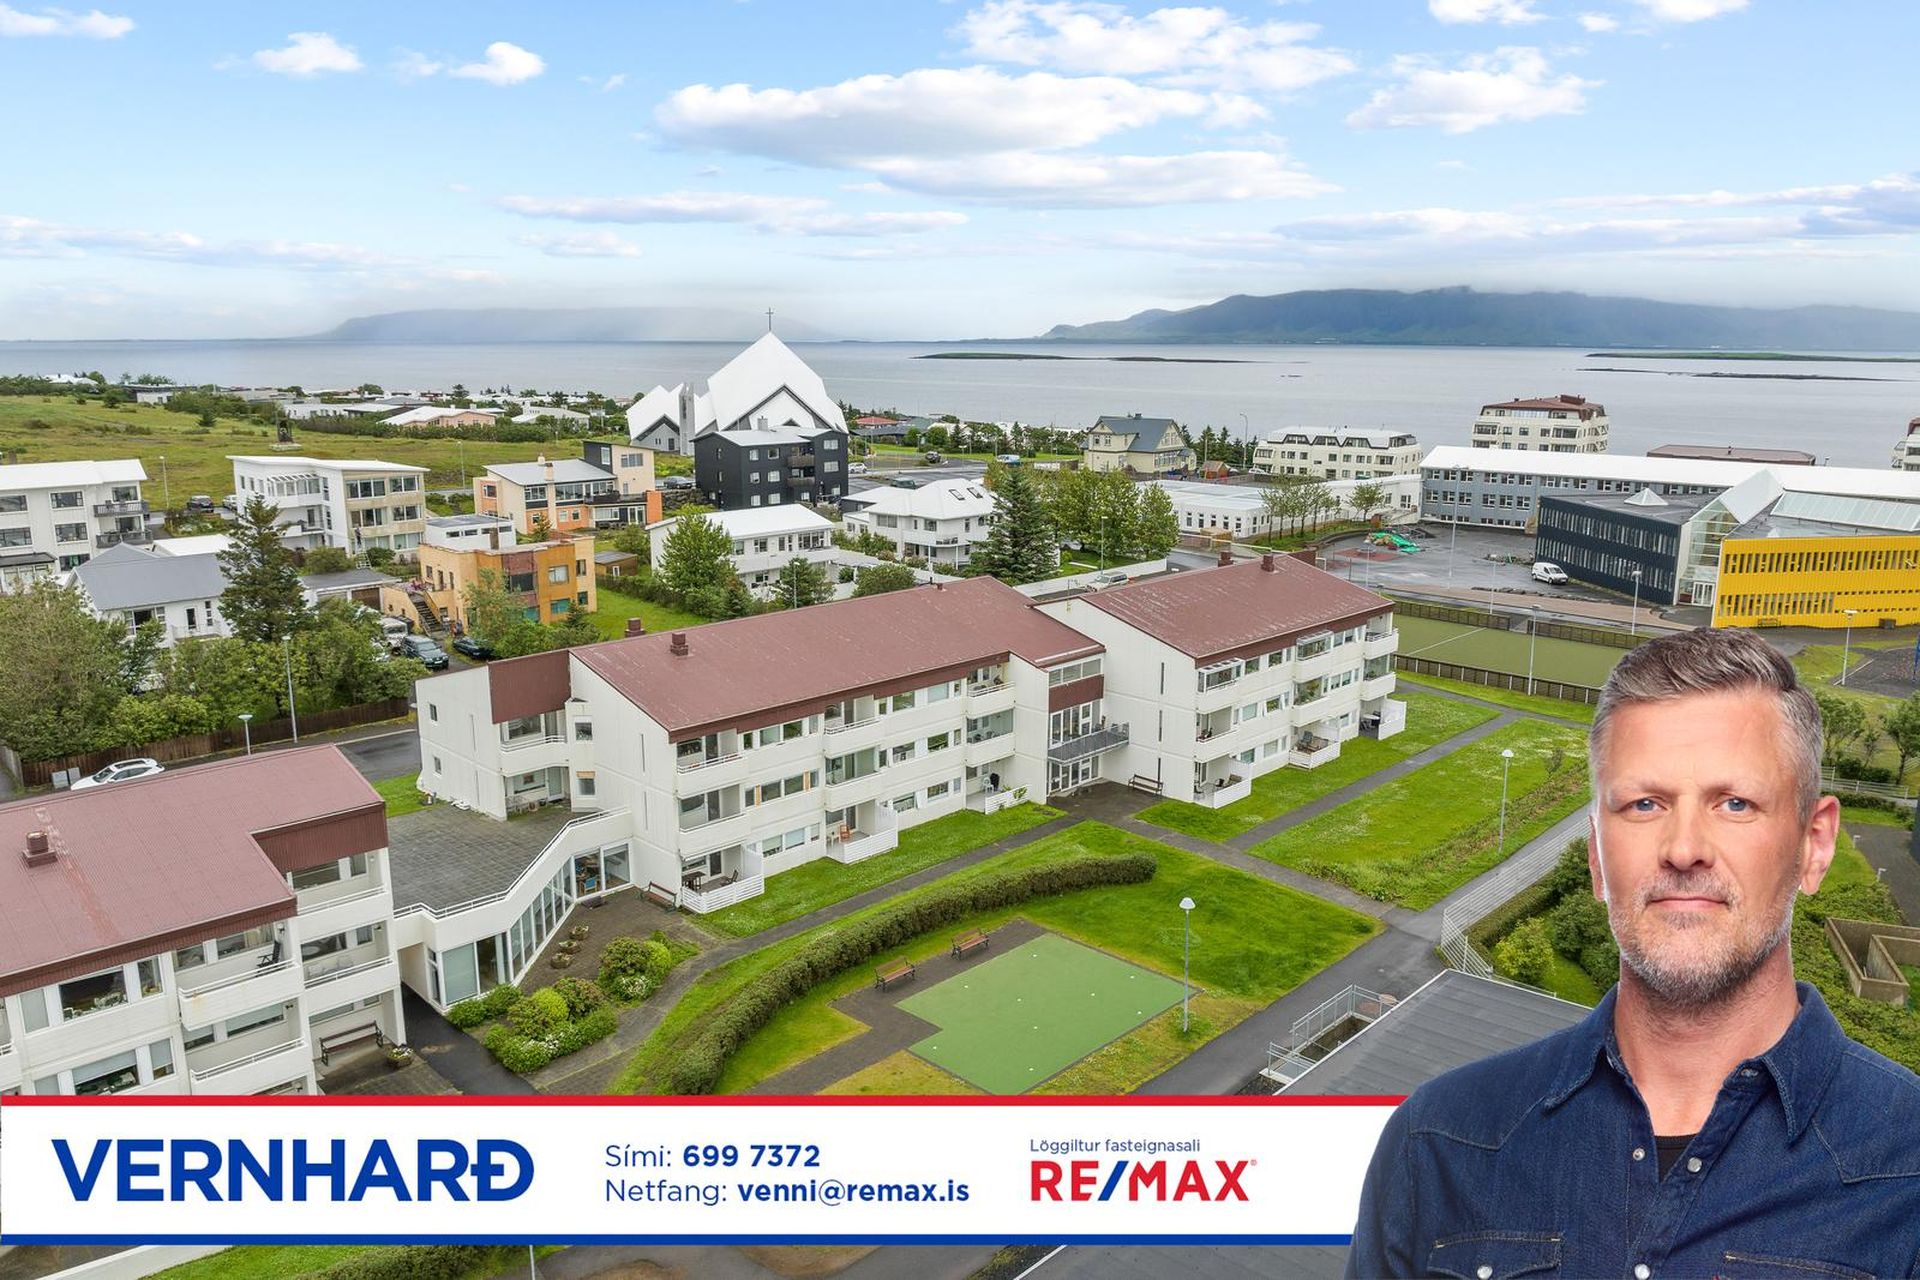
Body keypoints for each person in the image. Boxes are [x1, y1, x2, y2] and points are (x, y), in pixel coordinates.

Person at [1347, 627, 1920, 1278]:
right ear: (1596, 856)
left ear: (1814, 846)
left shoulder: (1907, 1171)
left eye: (1735, 803)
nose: (1684, 849)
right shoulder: (1440, 1145)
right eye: (1645, 804)